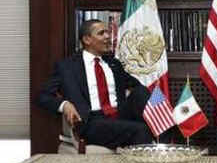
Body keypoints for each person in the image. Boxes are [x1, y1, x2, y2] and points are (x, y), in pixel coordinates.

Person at [38, 19, 153, 149]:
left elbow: (137, 88)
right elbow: (43, 97)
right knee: (140, 130)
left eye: (108, 32)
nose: (108, 36)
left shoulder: (114, 64)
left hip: (119, 115)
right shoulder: (67, 67)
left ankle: (165, 143)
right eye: (101, 33)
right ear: (87, 40)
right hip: (91, 121)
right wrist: (64, 105)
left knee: (141, 92)